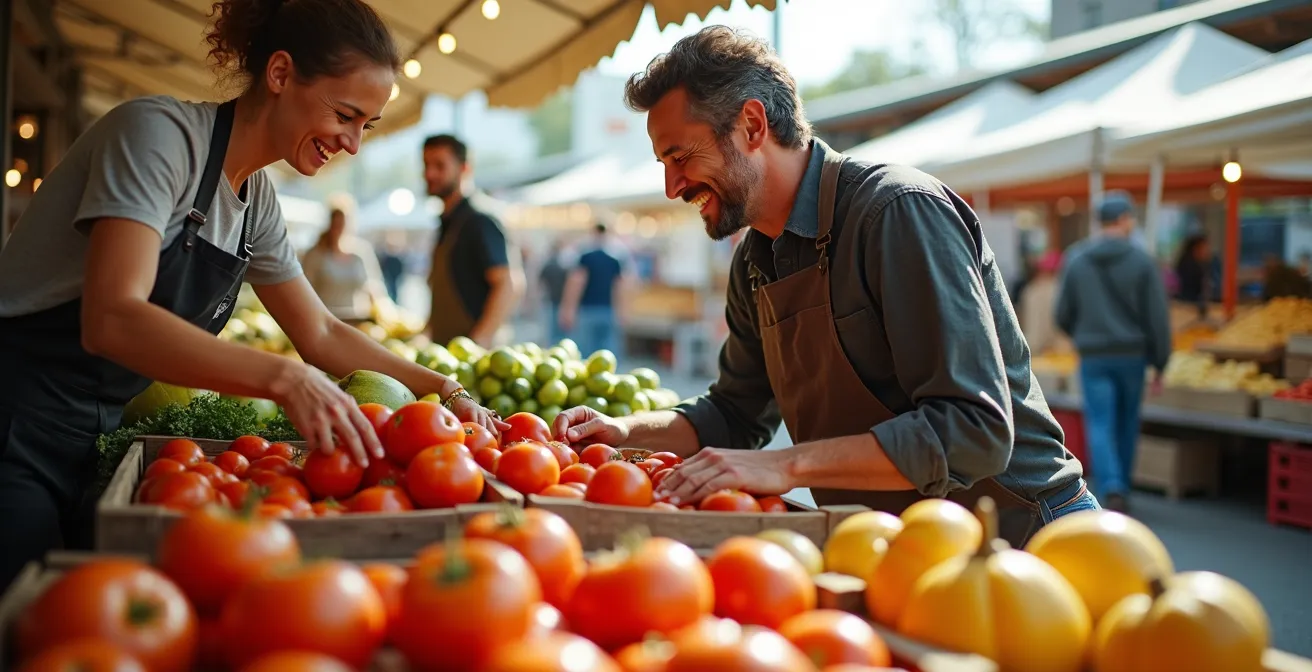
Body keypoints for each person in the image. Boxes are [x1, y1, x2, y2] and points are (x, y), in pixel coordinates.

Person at [0, 0, 504, 590]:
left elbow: (321, 334)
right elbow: (112, 318)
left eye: (365, 126)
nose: (352, 145)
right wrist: (283, 379)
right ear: (281, 74)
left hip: (100, 432)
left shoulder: (255, 202)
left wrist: (444, 389)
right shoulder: (158, 137)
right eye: (345, 114)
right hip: (16, 416)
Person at [551, 26, 1094, 548]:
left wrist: (783, 464)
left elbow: (973, 432)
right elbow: (735, 415)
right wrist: (625, 432)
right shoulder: (753, 263)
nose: (671, 187)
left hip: (1027, 535)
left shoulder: (896, 211)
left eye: (680, 156)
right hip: (904, 549)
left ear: (752, 125)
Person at [1055, 191, 1172, 514]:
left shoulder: (1076, 259)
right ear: (1124, 220)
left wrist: (1083, 335)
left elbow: (1062, 313)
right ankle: (1123, 485)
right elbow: (1157, 318)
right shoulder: (1142, 260)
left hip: (1093, 355)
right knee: (1127, 421)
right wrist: (1160, 361)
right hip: (1133, 355)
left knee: (1100, 421)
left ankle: (1111, 486)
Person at [422, 134, 525, 347]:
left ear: (464, 169)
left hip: (474, 360)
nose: (429, 173)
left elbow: (509, 284)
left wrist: (479, 340)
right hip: (446, 353)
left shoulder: (479, 220)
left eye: (439, 165)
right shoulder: (447, 222)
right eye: (426, 165)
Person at [301, 195, 389, 322]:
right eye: (336, 222)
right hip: (324, 320)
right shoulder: (315, 255)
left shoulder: (361, 252)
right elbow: (305, 291)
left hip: (356, 319)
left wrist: (383, 312)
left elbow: (373, 286)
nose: (340, 227)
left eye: (343, 222)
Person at [559, 223, 634, 358]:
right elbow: (620, 288)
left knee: (585, 355)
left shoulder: (585, 258)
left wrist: (568, 308)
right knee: (607, 355)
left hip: (587, 310)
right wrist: (623, 312)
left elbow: (576, 284)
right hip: (608, 310)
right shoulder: (615, 260)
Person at [538, 238, 572, 344]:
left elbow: (541, 282)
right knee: (562, 330)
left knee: (553, 330)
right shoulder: (565, 265)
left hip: (553, 299)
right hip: (559, 300)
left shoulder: (550, 265)